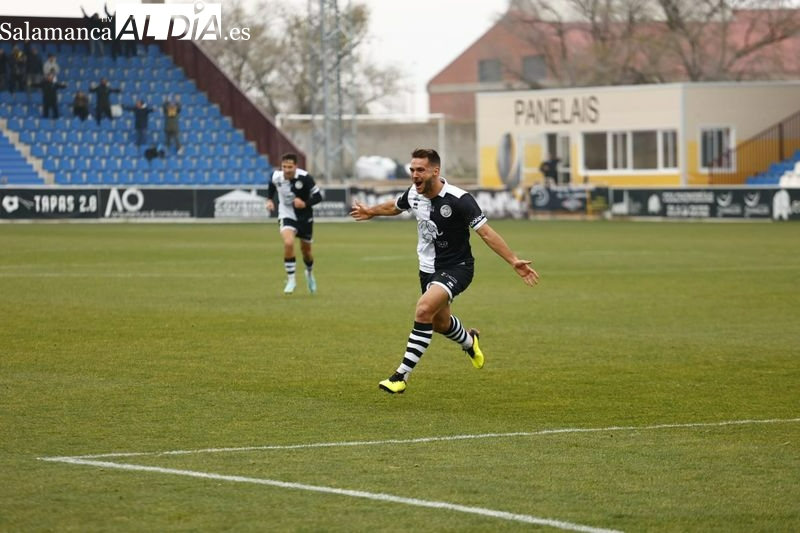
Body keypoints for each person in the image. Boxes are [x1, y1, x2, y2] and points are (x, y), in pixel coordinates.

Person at [350, 148, 539, 394]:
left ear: (435, 171)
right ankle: (470, 341)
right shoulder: (413, 194)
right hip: (427, 270)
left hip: (457, 268)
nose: (414, 175)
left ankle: (400, 376)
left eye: (420, 170)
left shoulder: (460, 199)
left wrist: (513, 260)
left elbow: (486, 232)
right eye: (412, 170)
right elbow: (395, 206)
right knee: (440, 324)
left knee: (423, 309)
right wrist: (371, 212)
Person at [266, 153, 323, 295]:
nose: (287, 170)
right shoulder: (276, 176)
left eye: (290, 167)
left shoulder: (305, 178)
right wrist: (269, 200)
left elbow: (318, 197)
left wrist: (305, 203)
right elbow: (272, 186)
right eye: (284, 166)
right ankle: (291, 279)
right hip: (286, 214)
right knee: (288, 243)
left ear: (296, 166)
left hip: (304, 216)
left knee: (306, 252)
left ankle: (309, 274)